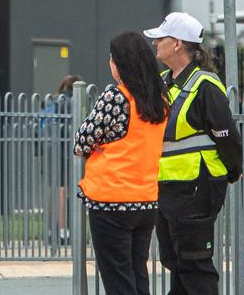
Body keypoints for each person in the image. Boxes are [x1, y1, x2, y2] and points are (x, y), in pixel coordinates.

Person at [144, 12, 243, 294]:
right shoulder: (164, 82)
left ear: (177, 44)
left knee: (195, 265)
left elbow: (227, 136)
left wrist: (232, 170)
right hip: (168, 187)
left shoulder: (205, 85)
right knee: (176, 262)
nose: (155, 44)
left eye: (160, 39)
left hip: (197, 187)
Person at [74, 31, 169, 295]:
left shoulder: (116, 97)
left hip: (111, 200)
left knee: (118, 279)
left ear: (120, 64)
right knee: (138, 274)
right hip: (146, 200)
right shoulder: (159, 101)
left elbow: (82, 142)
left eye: (112, 59)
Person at [39, 75, 83, 244]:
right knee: (66, 193)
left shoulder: (52, 102)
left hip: (48, 153)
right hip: (65, 153)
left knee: (53, 191)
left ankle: (51, 231)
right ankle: (65, 232)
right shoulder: (72, 102)